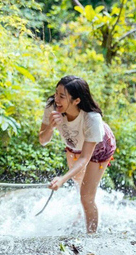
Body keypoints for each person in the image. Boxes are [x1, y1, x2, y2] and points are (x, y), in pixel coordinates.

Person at [38, 75, 116, 234]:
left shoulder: (92, 119)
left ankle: (91, 239)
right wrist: (51, 127)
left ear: (76, 101)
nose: (56, 99)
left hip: (98, 147)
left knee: (86, 197)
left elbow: (85, 158)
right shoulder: (52, 106)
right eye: (56, 93)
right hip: (73, 144)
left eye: (62, 96)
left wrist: (61, 179)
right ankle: (84, 211)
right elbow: (42, 140)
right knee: (79, 182)